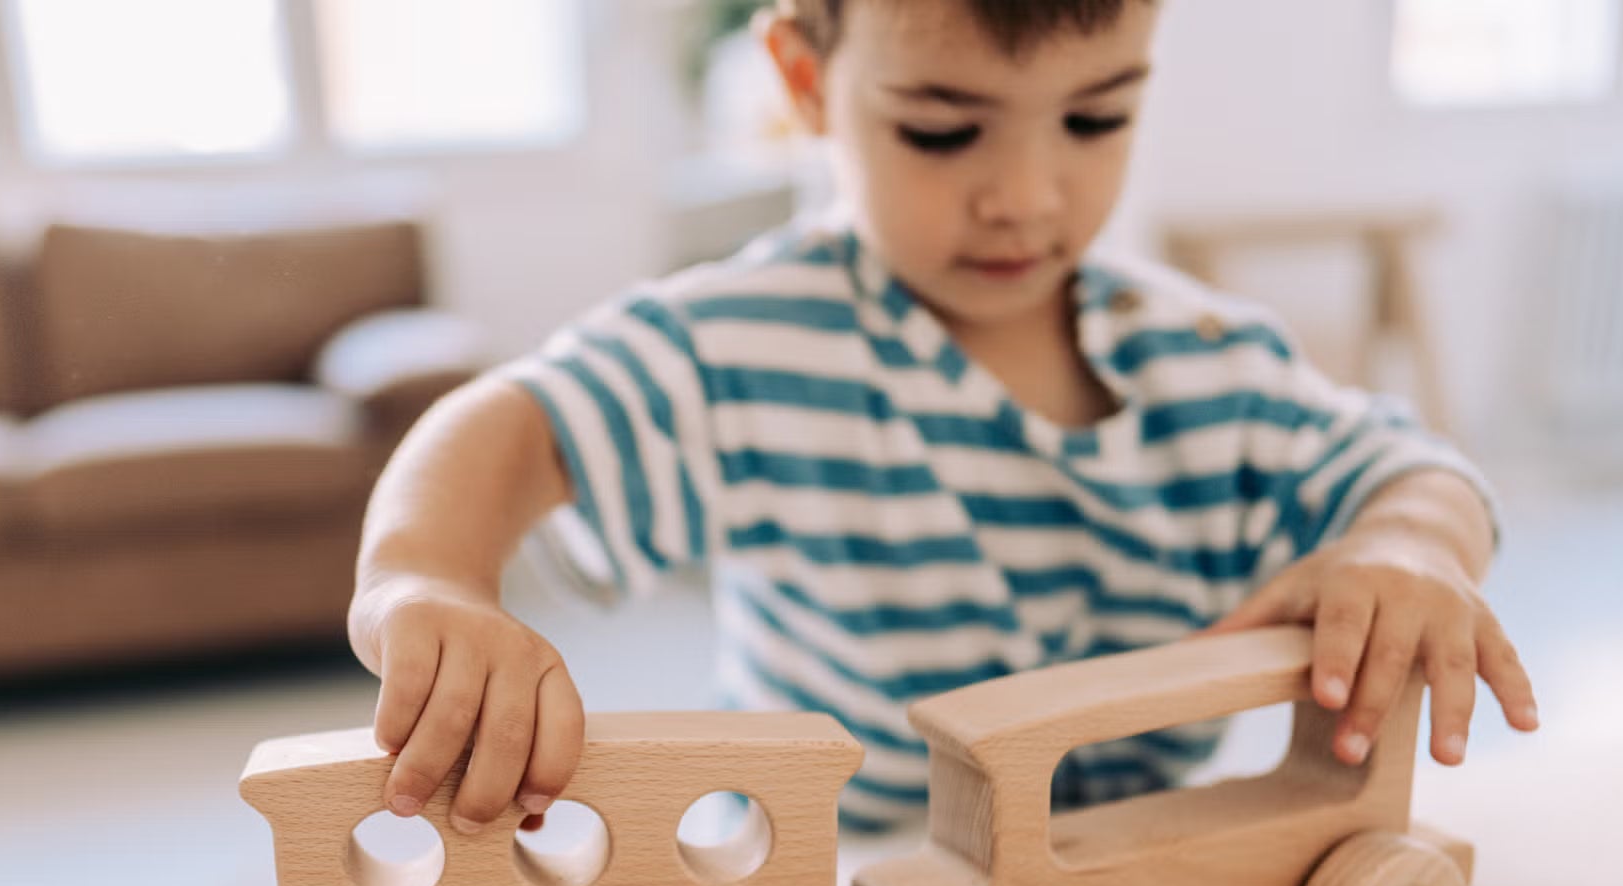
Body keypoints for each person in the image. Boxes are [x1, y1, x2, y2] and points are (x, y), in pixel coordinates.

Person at [347, 0, 1539, 834]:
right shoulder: (748, 341)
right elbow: (513, 424)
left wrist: (1404, 544)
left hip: (1130, 877)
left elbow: (1409, 470)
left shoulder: (1209, 365)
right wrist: (426, 578)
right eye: (940, 130)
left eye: (1093, 119)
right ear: (806, 82)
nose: (1023, 196)